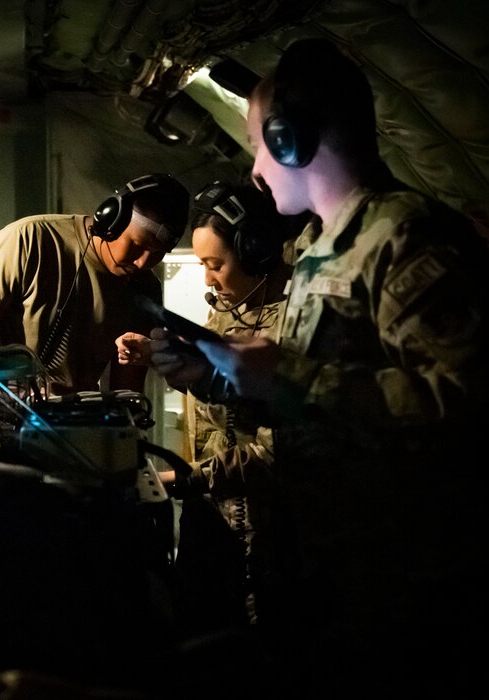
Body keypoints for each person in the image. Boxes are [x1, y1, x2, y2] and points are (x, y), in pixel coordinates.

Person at [142, 38, 489, 696]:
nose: (254, 169)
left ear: (291, 140)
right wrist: (219, 376)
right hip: (319, 574)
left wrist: (288, 377)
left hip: (398, 592)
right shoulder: (318, 248)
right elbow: (324, 406)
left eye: (257, 144)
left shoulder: (405, 238)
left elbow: (466, 403)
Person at [117, 182, 296, 641]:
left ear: (256, 252)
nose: (208, 280)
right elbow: (222, 409)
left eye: (215, 265)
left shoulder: (294, 327)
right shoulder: (231, 314)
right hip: (212, 521)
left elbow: (280, 451)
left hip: (265, 536)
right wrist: (162, 360)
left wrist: (189, 477)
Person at [0, 173, 190, 396]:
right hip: (3, 412)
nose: (142, 262)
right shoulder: (30, 239)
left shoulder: (145, 289)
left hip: (76, 423)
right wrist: (3, 392)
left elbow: (127, 390)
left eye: (157, 253)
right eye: (137, 245)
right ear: (112, 219)